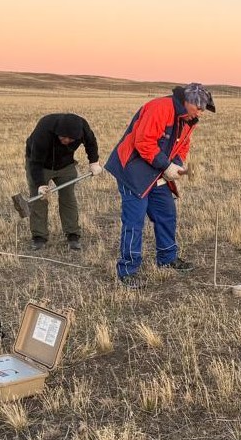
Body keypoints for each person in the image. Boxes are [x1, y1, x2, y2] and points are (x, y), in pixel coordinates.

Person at [104, 82, 215, 287]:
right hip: (132, 169)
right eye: (199, 108)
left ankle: (167, 258)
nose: (201, 113)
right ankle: (128, 270)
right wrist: (166, 165)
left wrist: (176, 165)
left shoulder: (188, 120)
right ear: (187, 101)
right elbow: (144, 142)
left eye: (203, 109)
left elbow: (182, 146)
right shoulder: (160, 108)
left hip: (156, 171)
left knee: (166, 213)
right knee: (134, 221)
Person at [24, 113, 102, 251]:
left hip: (65, 164)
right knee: (39, 199)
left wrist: (94, 162)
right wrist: (40, 184)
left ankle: (73, 235)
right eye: (63, 137)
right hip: (41, 165)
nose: (66, 140)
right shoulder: (44, 130)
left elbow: (91, 143)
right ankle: (39, 237)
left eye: (71, 139)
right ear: (57, 132)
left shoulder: (82, 127)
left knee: (68, 197)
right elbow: (35, 162)